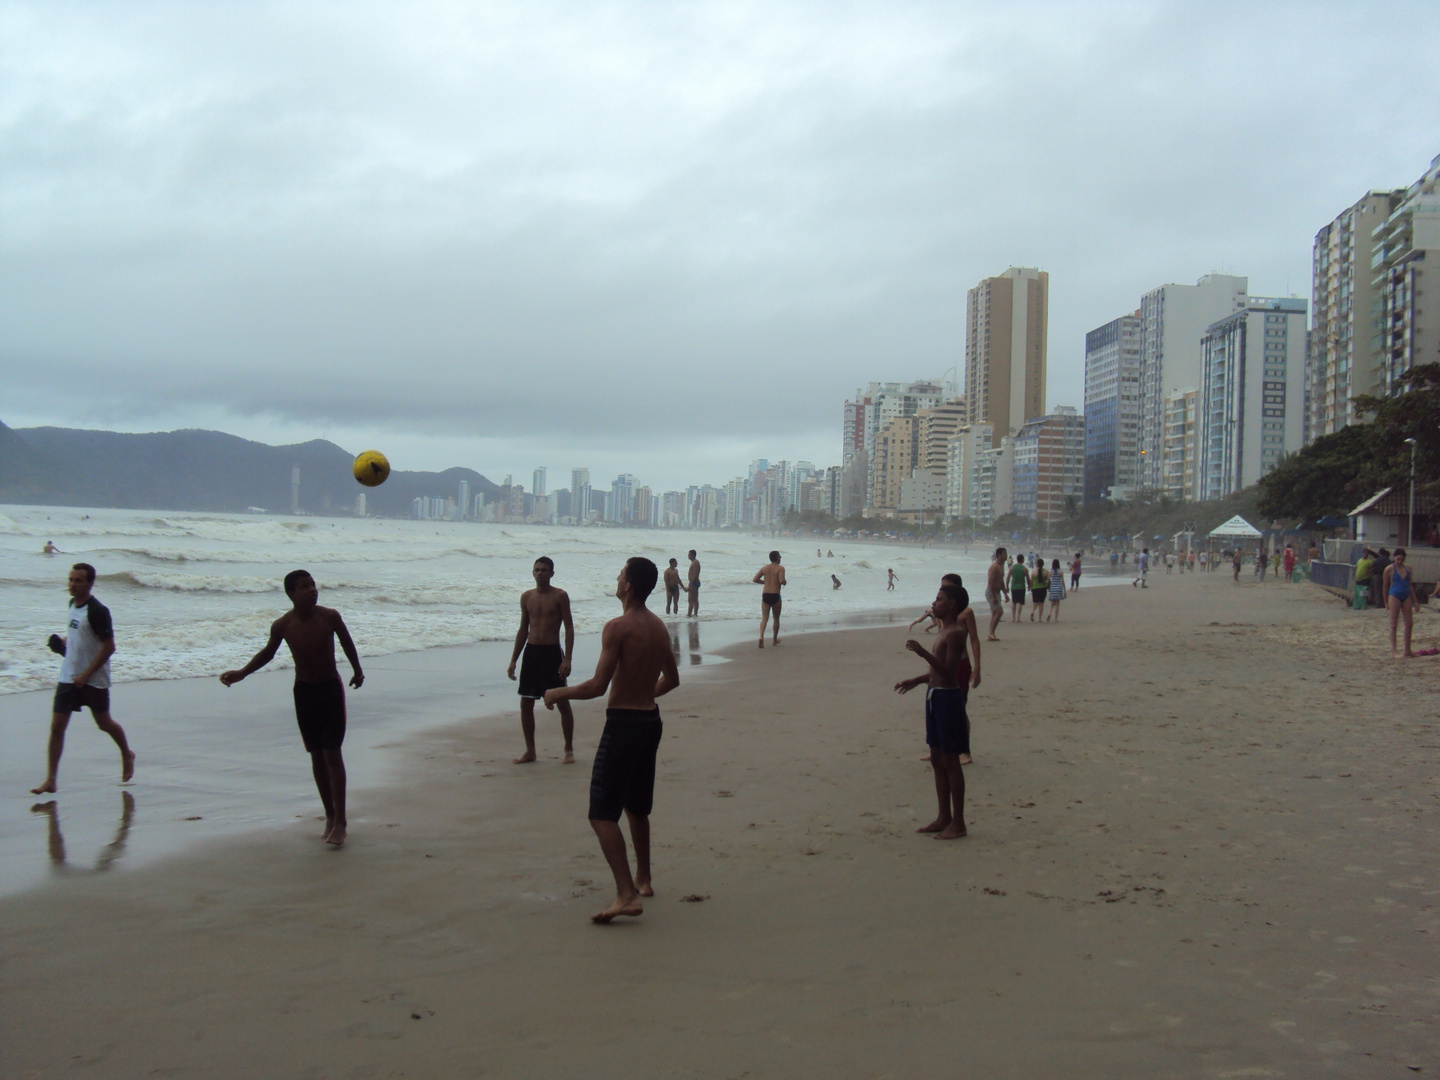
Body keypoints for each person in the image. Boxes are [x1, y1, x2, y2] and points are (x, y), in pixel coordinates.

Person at [544, 557, 679, 923]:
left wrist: (559, 693)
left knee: (602, 813)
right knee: (636, 806)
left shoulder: (618, 627)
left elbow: (597, 686)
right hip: (650, 720)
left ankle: (626, 894)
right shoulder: (658, 627)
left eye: (620, 574)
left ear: (629, 586)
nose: (616, 579)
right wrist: (641, 694)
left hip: (623, 725)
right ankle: (644, 880)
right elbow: (672, 679)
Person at [219, 570, 362, 846]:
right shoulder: (283, 625)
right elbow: (267, 653)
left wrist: (357, 671)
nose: (312, 590)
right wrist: (242, 673)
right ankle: (329, 815)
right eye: (304, 587)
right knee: (317, 756)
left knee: (332, 753)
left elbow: (347, 643)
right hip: (304, 693)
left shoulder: (330, 617)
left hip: (330, 690)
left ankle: (341, 821)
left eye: (313, 585)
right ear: (291, 594)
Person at [30, 563, 135, 795]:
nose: (72, 585)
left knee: (104, 723)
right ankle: (51, 779)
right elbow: (79, 638)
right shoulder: (72, 604)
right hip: (68, 676)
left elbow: (109, 647)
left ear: (90, 583)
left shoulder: (97, 611)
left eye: (78, 581)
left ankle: (126, 753)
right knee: (57, 727)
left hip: (93, 679)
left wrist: (86, 674)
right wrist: (62, 645)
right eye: (70, 580)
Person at [893, 584, 975, 840]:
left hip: (947, 699)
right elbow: (937, 672)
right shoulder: (944, 631)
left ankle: (958, 823)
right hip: (935, 696)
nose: (934, 603)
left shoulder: (955, 633)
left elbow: (950, 672)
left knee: (951, 761)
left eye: (939, 600)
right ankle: (943, 817)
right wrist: (916, 681)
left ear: (952, 604)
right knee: (937, 759)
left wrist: (923, 653)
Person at [506, 556, 576, 764]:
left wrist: (568, 659)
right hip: (532, 653)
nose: (539, 573)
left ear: (552, 573)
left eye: (544, 570)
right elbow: (523, 629)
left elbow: (569, 627)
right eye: (536, 570)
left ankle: (568, 749)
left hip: (552, 653)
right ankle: (530, 751)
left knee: (562, 700)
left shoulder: (560, 596)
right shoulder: (526, 597)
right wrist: (513, 660)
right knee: (526, 702)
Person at [1382, 548, 1416, 658]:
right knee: (1393, 624)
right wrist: (1385, 601)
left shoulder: (1408, 569)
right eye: (1398, 559)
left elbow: (1410, 586)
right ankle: (1394, 651)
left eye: (1402, 560)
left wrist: (1415, 601)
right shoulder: (1389, 569)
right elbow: (1385, 586)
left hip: (1406, 595)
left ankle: (1407, 650)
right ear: (1394, 558)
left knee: (1409, 623)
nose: (1400, 562)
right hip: (1394, 595)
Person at [753, 550, 787, 647]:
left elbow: (755, 579)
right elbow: (781, 581)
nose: (780, 558)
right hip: (775, 595)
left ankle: (761, 637)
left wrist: (765, 582)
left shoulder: (764, 568)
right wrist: (785, 582)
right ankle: (774, 640)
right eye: (779, 556)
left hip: (766, 595)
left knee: (764, 618)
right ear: (776, 558)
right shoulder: (780, 568)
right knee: (776, 618)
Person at [984, 548, 1006, 642]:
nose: (1006, 555)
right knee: (999, 611)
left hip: (997, 592)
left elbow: (1001, 581)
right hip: (991, 592)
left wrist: (1005, 594)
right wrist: (993, 596)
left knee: (994, 613)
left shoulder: (1001, 566)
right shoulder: (994, 567)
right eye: (1004, 554)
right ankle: (991, 633)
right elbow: (990, 581)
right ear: (999, 555)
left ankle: (991, 634)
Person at [1008, 554, 1028, 623]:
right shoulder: (1024, 569)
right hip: (1021, 587)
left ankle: (1013, 618)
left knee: (1014, 602)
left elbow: (1008, 577)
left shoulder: (1012, 568)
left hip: (1014, 587)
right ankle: (1018, 618)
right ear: (1022, 559)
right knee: (1020, 603)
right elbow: (1028, 578)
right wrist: (1029, 585)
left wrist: (1006, 586)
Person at [686, 549, 701, 617]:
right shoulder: (693, 562)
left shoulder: (696, 563)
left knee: (693, 599)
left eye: (689, 554)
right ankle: (690, 614)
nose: (688, 556)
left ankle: (694, 614)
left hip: (694, 582)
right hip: (692, 582)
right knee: (691, 599)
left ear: (693, 555)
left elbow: (696, 574)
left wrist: (692, 582)